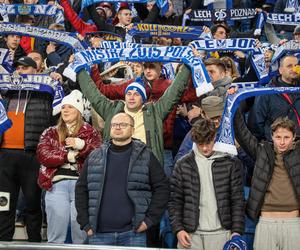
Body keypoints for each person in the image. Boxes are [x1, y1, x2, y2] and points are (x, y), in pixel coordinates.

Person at [75, 112, 169, 247]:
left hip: (133, 234)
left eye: (123, 124)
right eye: (114, 124)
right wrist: (85, 223)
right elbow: (81, 189)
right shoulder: (94, 156)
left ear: (133, 129)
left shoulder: (146, 155)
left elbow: (162, 187)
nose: (118, 127)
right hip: (99, 234)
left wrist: (149, 220)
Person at [77, 64, 191, 165]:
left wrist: (187, 64)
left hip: (146, 165)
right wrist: (80, 68)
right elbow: (93, 94)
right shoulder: (112, 111)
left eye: (136, 94)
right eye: (129, 94)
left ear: (143, 98)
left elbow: (175, 91)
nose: (131, 97)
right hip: (116, 164)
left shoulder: (154, 112)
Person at [36, 90, 101, 244]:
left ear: (79, 111)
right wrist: (68, 156)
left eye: (70, 107)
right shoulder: (50, 132)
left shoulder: (91, 133)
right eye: (63, 107)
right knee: (56, 231)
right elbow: (43, 154)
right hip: (57, 184)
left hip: (82, 186)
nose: (65, 110)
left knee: (79, 230)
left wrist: (83, 145)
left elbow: (99, 155)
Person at [169, 119, 244, 250]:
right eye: (200, 143)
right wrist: (178, 230)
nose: (204, 148)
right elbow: (175, 201)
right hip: (190, 235)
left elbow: (237, 200)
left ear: (215, 137)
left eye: (208, 143)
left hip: (222, 233)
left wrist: (237, 231)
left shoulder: (231, 163)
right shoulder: (182, 165)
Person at [0, 56, 53, 242]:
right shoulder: (6, 93)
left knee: (32, 203)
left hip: (31, 155)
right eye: (19, 68)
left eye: (25, 68)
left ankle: (34, 242)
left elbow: (61, 102)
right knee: (4, 203)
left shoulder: (45, 92)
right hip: (5, 155)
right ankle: (3, 242)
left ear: (36, 72)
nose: (20, 71)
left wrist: (56, 80)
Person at [234, 106, 300, 250]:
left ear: (294, 137)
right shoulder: (262, 151)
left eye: (286, 137)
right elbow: (242, 133)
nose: (282, 142)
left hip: (294, 223)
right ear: (271, 137)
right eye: (278, 137)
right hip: (266, 222)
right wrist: (236, 105)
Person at [252, 55, 300, 140]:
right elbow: (256, 123)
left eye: (297, 66)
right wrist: (268, 145)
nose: (294, 69)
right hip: (275, 147)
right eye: (289, 66)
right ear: (280, 70)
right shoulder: (266, 92)